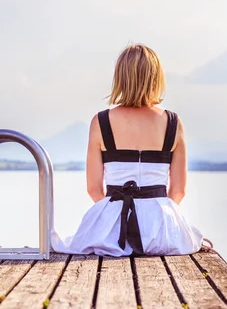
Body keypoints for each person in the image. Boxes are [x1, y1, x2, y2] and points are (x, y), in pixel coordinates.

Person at [50, 43, 209, 257]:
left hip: (111, 233)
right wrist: (157, 221)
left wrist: (114, 219)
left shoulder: (101, 121)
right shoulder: (173, 122)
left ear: (121, 77)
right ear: (156, 78)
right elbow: (178, 191)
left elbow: (94, 189)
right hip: (161, 232)